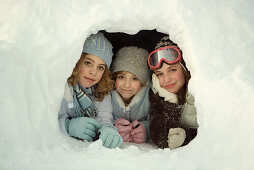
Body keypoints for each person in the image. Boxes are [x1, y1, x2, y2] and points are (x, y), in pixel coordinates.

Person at [58, 32, 123, 149]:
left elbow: (104, 117)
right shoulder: (62, 86)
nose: (93, 72)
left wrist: (108, 129)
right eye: (88, 63)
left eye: (100, 67)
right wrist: (66, 125)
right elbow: (46, 118)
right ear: (77, 62)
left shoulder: (101, 90)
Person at [148, 36, 199, 149]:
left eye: (172, 70)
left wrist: (186, 136)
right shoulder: (157, 94)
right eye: (160, 74)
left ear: (185, 69)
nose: (166, 80)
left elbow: (209, 133)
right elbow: (159, 137)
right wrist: (170, 101)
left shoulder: (201, 92)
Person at [110, 46, 151, 144]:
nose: (127, 85)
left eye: (135, 78)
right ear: (114, 78)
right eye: (121, 77)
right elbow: (100, 117)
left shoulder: (149, 96)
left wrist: (146, 129)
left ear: (143, 82)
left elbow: (156, 119)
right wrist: (113, 127)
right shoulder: (107, 95)